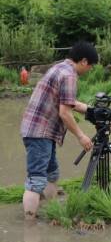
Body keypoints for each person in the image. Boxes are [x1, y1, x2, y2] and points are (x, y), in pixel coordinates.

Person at [20, 42, 98, 220]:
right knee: (36, 180)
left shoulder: (59, 68)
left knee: (51, 173)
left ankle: (51, 211)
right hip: (39, 132)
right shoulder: (69, 75)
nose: (90, 70)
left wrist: (91, 110)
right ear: (84, 61)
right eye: (91, 66)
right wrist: (81, 136)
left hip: (39, 131)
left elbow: (68, 101)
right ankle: (30, 226)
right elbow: (65, 112)